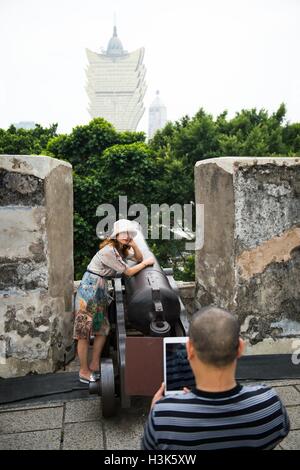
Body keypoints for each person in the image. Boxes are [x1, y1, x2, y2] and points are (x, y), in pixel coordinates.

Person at [142, 306, 290, 450]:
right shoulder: (271, 404)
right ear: (240, 348)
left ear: (189, 349)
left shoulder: (163, 418)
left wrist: (157, 411)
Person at [74, 219, 154, 384]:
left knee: (103, 329)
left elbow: (138, 258)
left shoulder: (120, 249)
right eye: (123, 233)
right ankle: (83, 371)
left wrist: (133, 244)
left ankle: (95, 364)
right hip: (90, 289)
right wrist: (146, 263)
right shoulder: (109, 250)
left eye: (129, 233)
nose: (126, 236)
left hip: (100, 289)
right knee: (83, 332)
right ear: (116, 235)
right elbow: (130, 271)